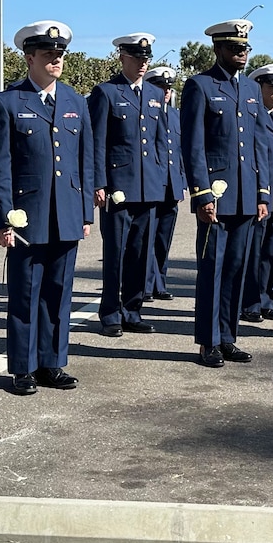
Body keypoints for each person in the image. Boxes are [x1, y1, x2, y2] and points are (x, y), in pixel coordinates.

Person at [0, 21, 94, 396]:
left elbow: (85, 162)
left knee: (59, 293)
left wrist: (85, 213)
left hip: (66, 213)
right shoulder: (7, 102)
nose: (55, 60)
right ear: (29, 58)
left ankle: (52, 362)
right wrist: (2, 218)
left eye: (59, 55)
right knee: (25, 294)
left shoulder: (76, 102)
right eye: (48, 55)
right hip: (26, 216)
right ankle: (22, 367)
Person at [180, 19, 269, 368]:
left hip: (246, 195)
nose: (241, 54)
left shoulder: (250, 89)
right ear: (217, 49)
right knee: (212, 269)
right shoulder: (200, 86)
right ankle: (208, 341)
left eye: (245, 48)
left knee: (235, 268)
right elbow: (194, 145)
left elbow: (259, 141)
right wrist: (202, 194)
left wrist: (262, 192)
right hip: (216, 197)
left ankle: (228, 336)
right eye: (235, 48)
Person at [89, 32, 170, 337]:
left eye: (145, 59)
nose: (141, 64)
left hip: (148, 187)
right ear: (122, 57)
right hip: (118, 188)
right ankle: (110, 313)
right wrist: (99, 183)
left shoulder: (152, 94)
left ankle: (132, 310)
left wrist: (160, 178)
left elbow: (161, 140)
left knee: (140, 253)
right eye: (136, 58)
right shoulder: (106, 93)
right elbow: (97, 143)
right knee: (116, 254)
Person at [242, 63, 273, 322]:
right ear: (259, 86)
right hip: (258, 194)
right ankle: (250, 303)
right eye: (272, 87)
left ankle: (267, 301)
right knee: (255, 251)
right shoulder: (252, 116)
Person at [145, 65, 185, 301]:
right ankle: (148, 284)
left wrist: (182, 182)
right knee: (148, 237)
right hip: (152, 184)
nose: (166, 92)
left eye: (169, 88)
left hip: (172, 185)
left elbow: (180, 151)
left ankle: (161, 281)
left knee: (163, 238)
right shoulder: (146, 114)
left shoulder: (176, 116)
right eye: (161, 87)